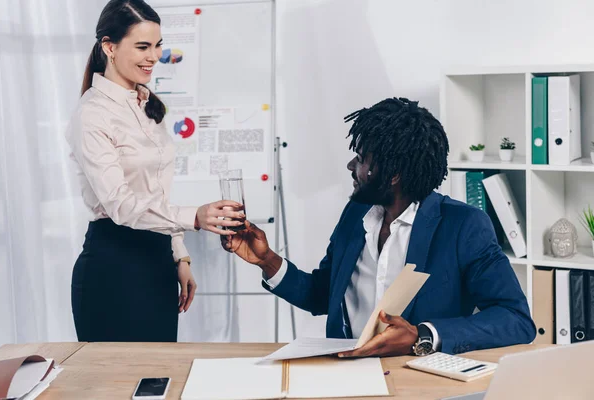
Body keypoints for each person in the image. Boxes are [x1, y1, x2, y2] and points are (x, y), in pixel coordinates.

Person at [222, 97, 536, 356]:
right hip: (345, 372)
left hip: (420, 379)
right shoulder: (355, 215)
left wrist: (422, 335)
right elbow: (323, 295)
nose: (351, 166)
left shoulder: (463, 226)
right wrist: (267, 260)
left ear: (393, 173)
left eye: (360, 158)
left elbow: (516, 319)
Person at [66, 0, 244, 342]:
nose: (154, 56)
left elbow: (156, 193)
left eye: (158, 45)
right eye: (142, 46)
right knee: (116, 388)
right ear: (109, 47)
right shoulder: (92, 114)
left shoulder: (147, 104)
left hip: (157, 263)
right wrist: (196, 217)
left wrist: (180, 256)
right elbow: (121, 205)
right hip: (114, 268)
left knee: (159, 382)